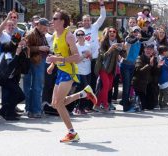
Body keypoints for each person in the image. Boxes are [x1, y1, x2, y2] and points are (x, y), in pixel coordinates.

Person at [46, 9, 97, 142]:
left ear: (62, 21)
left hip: (69, 70)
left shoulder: (68, 35)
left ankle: (72, 133)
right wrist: (52, 65)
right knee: (55, 104)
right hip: (60, 70)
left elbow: (75, 57)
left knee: (58, 103)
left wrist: (58, 61)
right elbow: (58, 54)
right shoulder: (56, 35)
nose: (52, 20)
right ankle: (83, 93)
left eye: (55, 18)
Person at [75, 0, 106, 96]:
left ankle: (92, 102)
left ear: (90, 21)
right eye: (85, 20)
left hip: (95, 59)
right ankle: (84, 103)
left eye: (88, 20)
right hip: (83, 60)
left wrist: (102, 4)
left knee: (94, 80)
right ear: (82, 22)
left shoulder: (95, 27)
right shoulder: (79, 31)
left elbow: (103, 17)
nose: (86, 22)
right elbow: (72, 43)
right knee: (84, 82)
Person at [0, 33, 30, 120]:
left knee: (16, 95)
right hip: (4, 77)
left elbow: (26, 70)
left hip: (13, 78)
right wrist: (16, 54)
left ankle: (6, 111)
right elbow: (10, 66)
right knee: (18, 95)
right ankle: (7, 113)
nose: (22, 45)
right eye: (20, 43)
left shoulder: (22, 52)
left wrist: (28, 55)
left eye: (24, 43)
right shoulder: (8, 50)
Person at [22, 18, 50, 118]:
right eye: (43, 26)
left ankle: (33, 109)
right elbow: (24, 47)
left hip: (39, 61)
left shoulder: (42, 34)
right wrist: (40, 48)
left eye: (46, 26)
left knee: (36, 87)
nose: (45, 28)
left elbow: (44, 45)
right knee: (34, 87)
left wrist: (47, 49)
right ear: (38, 25)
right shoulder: (31, 34)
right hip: (32, 62)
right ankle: (33, 110)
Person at [94, 27, 124, 113]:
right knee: (106, 86)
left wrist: (125, 48)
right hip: (103, 68)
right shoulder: (104, 42)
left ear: (116, 33)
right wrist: (110, 49)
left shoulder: (118, 43)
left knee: (109, 87)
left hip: (112, 69)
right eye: (110, 31)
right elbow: (103, 56)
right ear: (107, 34)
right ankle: (106, 106)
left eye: (114, 31)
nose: (112, 33)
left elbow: (124, 56)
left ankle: (97, 105)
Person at [132, 43, 162, 110]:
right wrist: (149, 65)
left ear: (153, 51)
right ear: (144, 50)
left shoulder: (153, 59)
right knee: (143, 106)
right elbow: (138, 71)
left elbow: (155, 73)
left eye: (150, 49)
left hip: (148, 84)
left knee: (150, 106)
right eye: (147, 49)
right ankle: (137, 101)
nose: (148, 51)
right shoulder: (139, 58)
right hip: (140, 84)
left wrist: (158, 67)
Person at [121, 26, 142, 112]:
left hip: (132, 65)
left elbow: (148, 40)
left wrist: (154, 35)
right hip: (125, 65)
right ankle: (125, 107)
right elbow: (132, 41)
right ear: (131, 32)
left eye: (138, 31)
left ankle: (126, 102)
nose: (136, 33)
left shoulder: (138, 40)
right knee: (126, 87)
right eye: (134, 31)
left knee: (129, 86)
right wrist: (137, 38)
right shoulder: (128, 39)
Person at [158, 45, 168, 109]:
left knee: (161, 93)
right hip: (165, 79)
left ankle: (160, 104)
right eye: (167, 51)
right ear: (164, 52)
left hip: (161, 79)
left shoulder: (159, 58)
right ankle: (164, 104)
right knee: (166, 93)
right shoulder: (164, 59)